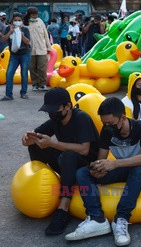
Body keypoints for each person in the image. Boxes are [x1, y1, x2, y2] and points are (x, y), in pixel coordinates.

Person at [65, 97, 141, 246]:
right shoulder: (107, 131)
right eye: (104, 123)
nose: (107, 127)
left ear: (122, 118)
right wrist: (97, 168)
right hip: (120, 169)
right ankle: (96, 218)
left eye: (110, 123)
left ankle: (121, 219)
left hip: (139, 167)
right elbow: (102, 158)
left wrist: (115, 164)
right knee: (83, 172)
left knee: (139, 168)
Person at [21, 87, 99, 235]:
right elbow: (35, 137)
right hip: (67, 163)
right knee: (37, 146)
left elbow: (84, 150)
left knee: (69, 155)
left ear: (68, 106)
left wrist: (53, 143)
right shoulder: (56, 119)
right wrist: (28, 139)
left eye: (54, 109)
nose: (51, 114)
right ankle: (41, 185)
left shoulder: (81, 118)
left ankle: (63, 208)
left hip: (87, 167)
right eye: (48, 110)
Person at [0, 12, 31, 100]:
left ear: (22, 21)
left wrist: (21, 34)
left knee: (24, 73)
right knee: (9, 73)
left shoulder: (25, 29)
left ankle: (23, 92)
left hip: (25, 54)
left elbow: (27, 42)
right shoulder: (8, 28)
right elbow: (4, 39)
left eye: (19, 20)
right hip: (14, 55)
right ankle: (8, 94)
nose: (17, 22)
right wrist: (10, 31)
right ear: (12, 20)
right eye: (15, 20)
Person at [25, 7, 51, 91]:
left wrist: (48, 46)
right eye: (33, 15)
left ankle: (43, 84)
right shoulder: (25, 23)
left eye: (36, 14)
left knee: (42, 67)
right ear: (29, 15)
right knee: (32, 67)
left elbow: (46, 35)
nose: (35, 16)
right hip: (30, 50)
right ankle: (35, 84)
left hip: (41, 48)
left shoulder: (40, 21)